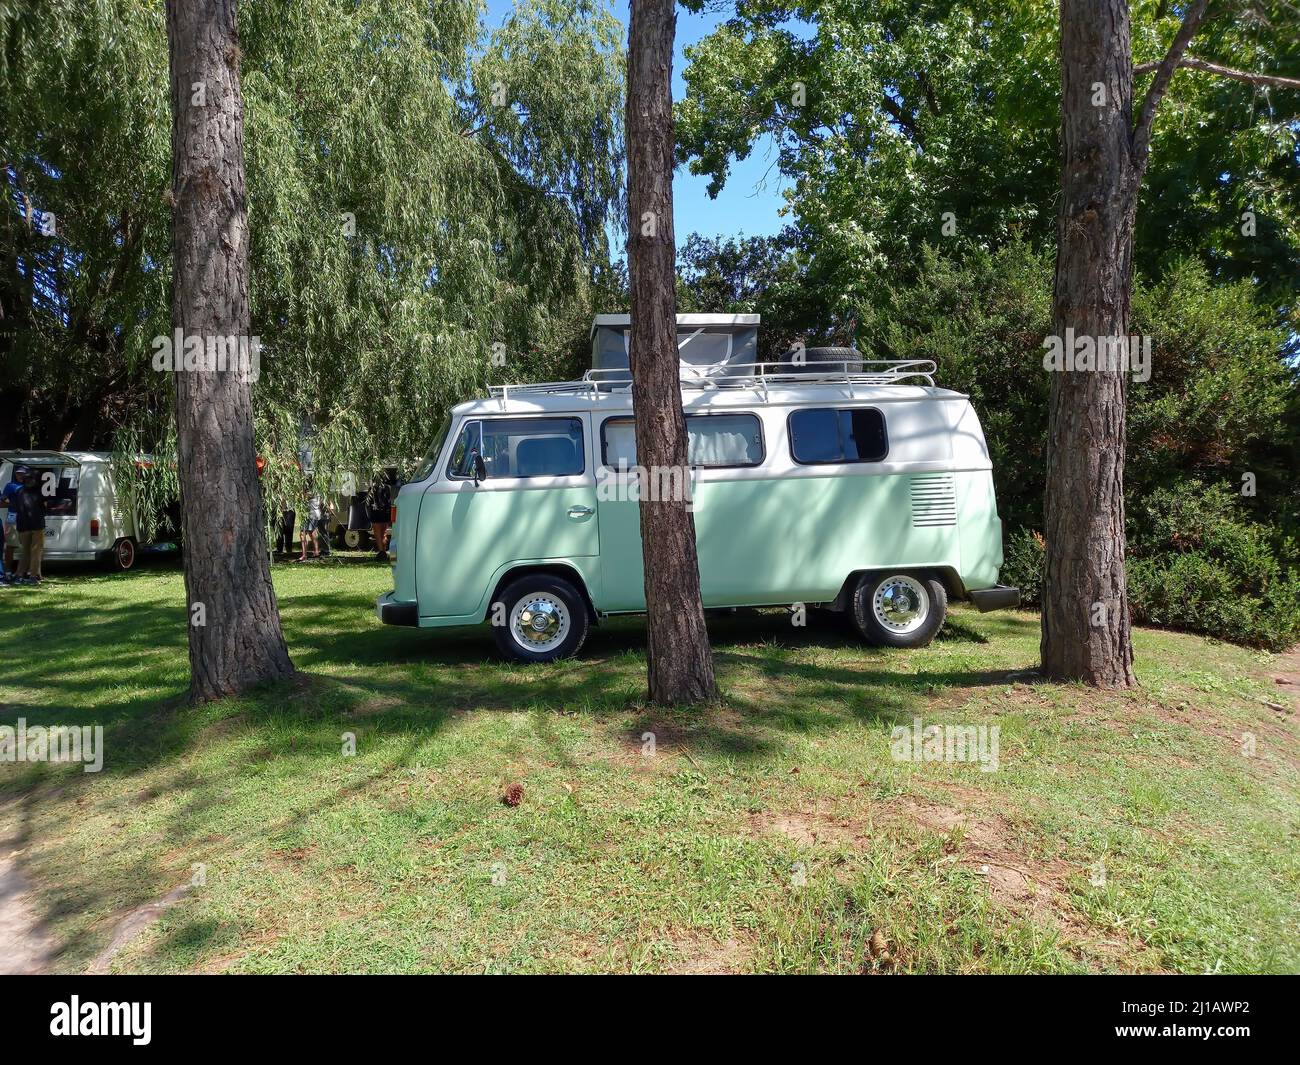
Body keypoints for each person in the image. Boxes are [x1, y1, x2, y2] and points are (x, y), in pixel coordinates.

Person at [12, 468, 49, 585]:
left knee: (25, 552)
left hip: (22, 525)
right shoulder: (38, 492)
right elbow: (44, 506)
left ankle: (19, 575)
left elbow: (16, 507)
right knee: (36, 551)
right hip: (37, 525)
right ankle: (33, 576)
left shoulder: (19, 492)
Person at [0, 466, 25, 585]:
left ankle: (21, 573)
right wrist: (11, 504)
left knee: (26, 546)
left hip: (26, 519)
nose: (20, 475)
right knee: (10, 546)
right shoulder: (10, 485)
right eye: (18, 473)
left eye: (22, 474)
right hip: (13, 518)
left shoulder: (30, 486)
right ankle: (8, 572)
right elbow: (3, 499)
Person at [366, 469, 394, 561]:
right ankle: (384, 551)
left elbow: (369, 502)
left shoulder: (372, 489)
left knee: (378, 533)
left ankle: (381, 551)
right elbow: (389, 501)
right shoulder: (387, 488)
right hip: (384, 512)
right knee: (384, 532)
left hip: (376, 512)